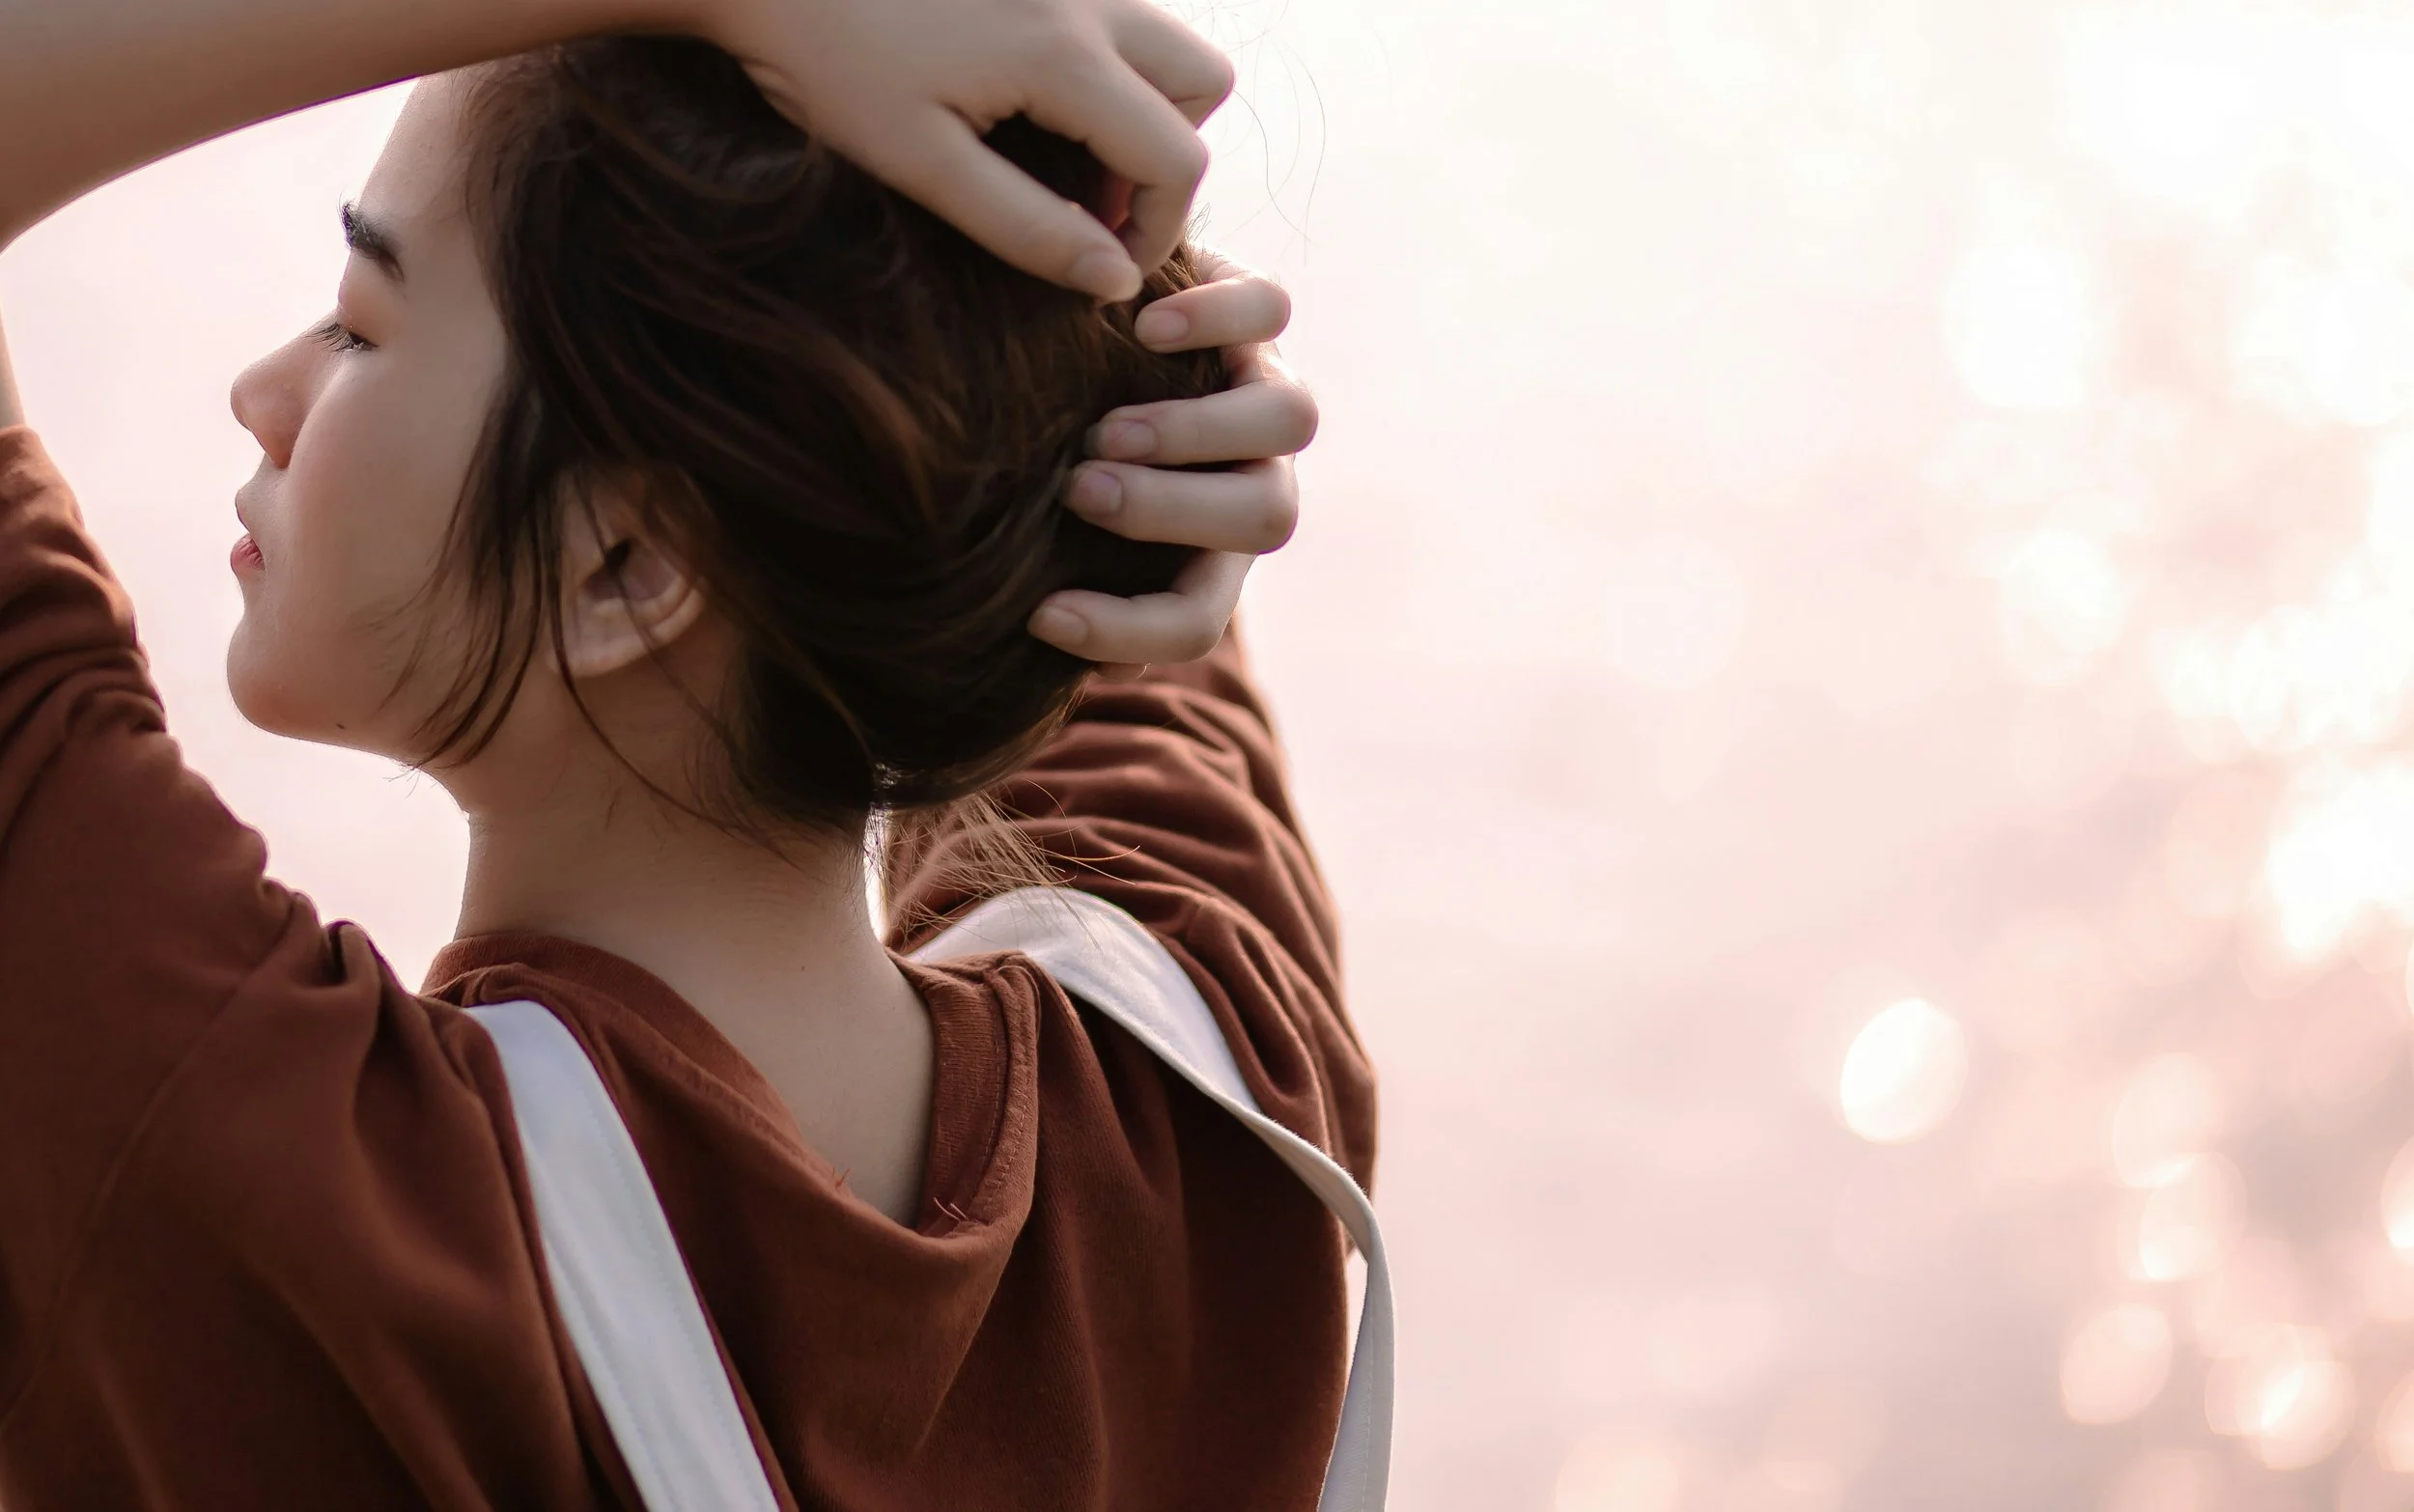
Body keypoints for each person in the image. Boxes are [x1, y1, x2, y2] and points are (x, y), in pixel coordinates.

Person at [0, 0, 1374, 1507]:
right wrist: (1119, 390)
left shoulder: (288, 1182)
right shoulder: (1209, 1068)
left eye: (360, 322)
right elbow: (1032, 460)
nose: (265, 390)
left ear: (625, 568)